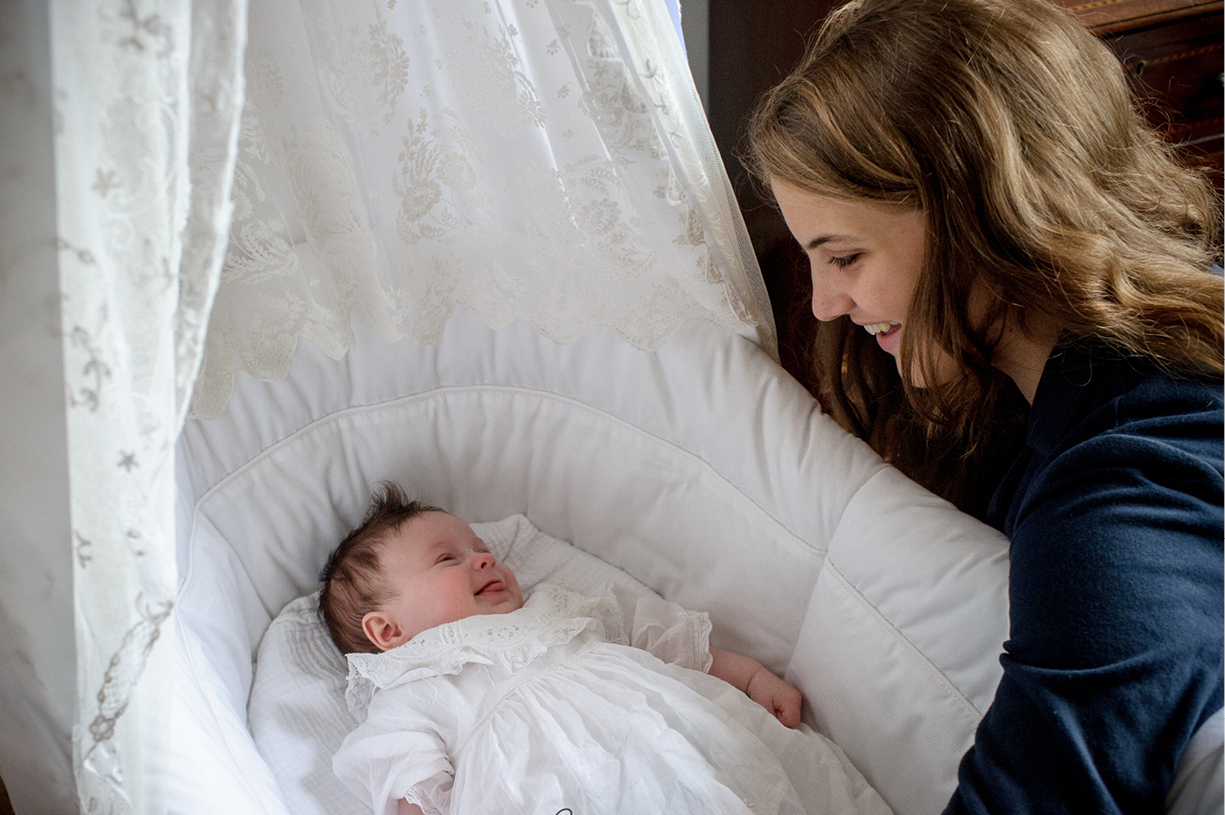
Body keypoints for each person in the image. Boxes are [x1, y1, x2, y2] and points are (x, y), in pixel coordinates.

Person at [746, 0, 1224, 811]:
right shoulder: (1079, 377)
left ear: (979, 216)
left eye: (846, 257)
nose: (824, 304)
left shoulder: (1119, 502)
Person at [318, 483, 892, 815]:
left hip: (673, 746)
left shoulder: (559, 609)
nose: (484, 559)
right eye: (449, 559)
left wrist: (750, 678)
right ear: (387, 632)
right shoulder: (411, 687)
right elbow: (411, 788)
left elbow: (663, 643)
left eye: (482, 548)